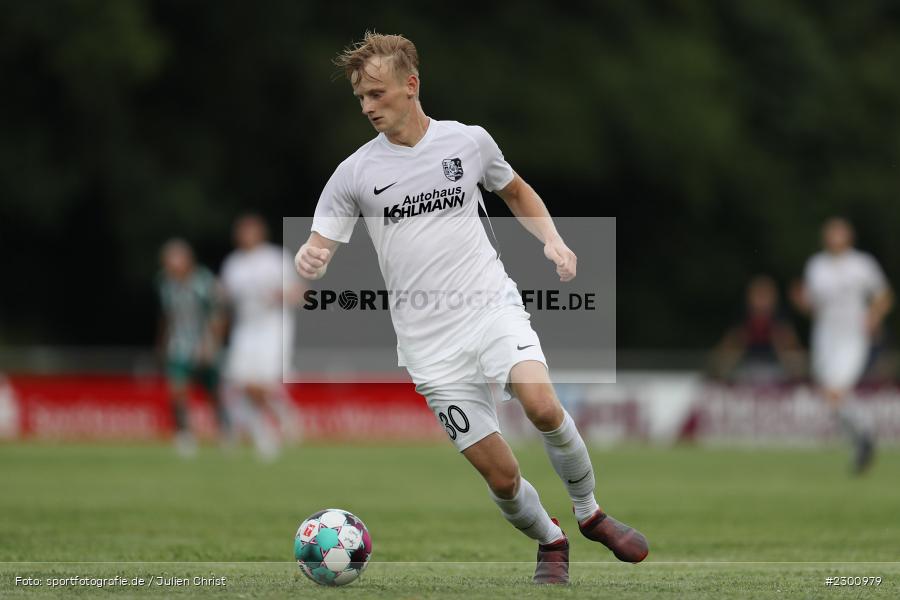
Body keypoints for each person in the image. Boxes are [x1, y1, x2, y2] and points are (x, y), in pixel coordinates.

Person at [295, 32, 648, 583]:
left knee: (542, 406)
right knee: (503, 478)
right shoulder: (355, 173)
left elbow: (516, 191)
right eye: (360, 98)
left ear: (411, 86)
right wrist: (311, 258)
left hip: (489, 307)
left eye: (376, 93)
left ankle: (589, 513)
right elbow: (320, 242)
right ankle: (551, 539)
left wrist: (551, 241)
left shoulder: (468, 142)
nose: (366, 106)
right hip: (428, 346)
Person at [791, 217, 893, 474]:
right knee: (830, 397)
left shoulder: (862, 264)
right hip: (825, 336)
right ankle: (861, 443)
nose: (833, 238)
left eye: (838, 233)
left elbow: (884, 295)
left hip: (852, 335)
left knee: (836, 391)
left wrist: (873, 316)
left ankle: (866, 431)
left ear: (849, 237)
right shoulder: (816, 265)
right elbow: (814, 307)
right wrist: (801, 302)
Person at [221, 214, 304, 459]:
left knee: (263, 383)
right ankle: (268, 430)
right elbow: (226, 300)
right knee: (242, 382)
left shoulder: (275, 258)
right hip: (245, 328)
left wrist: (283, 295)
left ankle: (278, 421)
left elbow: (299, 292)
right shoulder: (233, 263)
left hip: (273, 326)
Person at [156, 238, 230, 456]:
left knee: (213, 392)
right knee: (177, 389)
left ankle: (225, 430)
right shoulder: (165, 284)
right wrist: (161, 344)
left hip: (204, 344)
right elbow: (166, 317)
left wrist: (211, 344)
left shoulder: (203, 282)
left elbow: (218, 314)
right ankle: (184, 434)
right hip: (179, 345)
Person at [710, 275, 805, 384]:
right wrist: (737, 343)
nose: (761, 301)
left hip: (776, 381)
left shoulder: (781, 323)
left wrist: (782, 343)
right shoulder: (742, 323)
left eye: (765, 296)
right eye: (758, 295)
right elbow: (719, 363)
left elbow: (798, 365)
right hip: (745, 379)